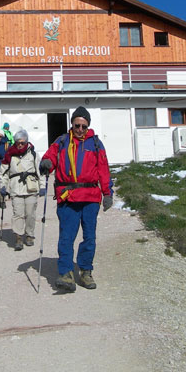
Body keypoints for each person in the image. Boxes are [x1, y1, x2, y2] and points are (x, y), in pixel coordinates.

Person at [39, 106, 113, 292]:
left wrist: (107, 193)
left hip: (90, 198)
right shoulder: (62, 141)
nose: (80, 129)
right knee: (66, 237)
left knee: (89, 238)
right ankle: (66, 273)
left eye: (84, 126)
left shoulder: (95, 144)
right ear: (71, 124)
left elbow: (103, 169)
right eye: (77, 125)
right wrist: (46, 164)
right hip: (68, 197)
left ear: (88, 126)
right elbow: (49, 157)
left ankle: (86, 272)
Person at [0, 130, 46, 251]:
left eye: (22, 142)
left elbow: (39, 171)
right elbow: (3, 173)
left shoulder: (33, 154)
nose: (19, 145)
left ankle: (29, 234)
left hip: (31, 187)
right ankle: (18, 237)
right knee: (18, 214)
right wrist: (3, 186)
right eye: (17, 142)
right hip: (16, 188)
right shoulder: (9, 155)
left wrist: (42, 186)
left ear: (26, 141)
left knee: (30, 213)